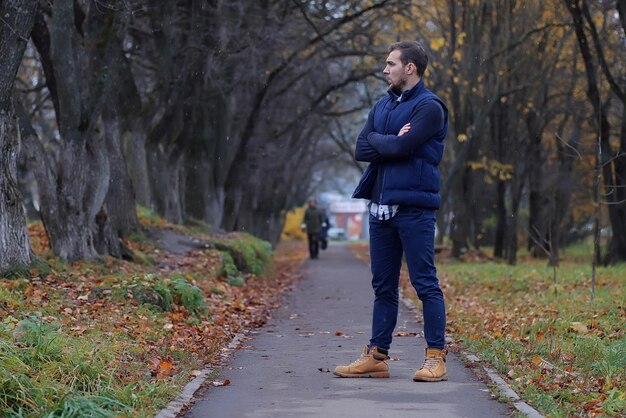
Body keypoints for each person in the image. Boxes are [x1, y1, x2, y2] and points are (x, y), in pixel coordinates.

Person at [334, 41, 449, 381]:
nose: (385, 70)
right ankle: (377, 355)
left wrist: (382, 142)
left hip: (414, 210)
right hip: (380, 210)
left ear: (409, 68)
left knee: (425, 284)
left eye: (390, 64)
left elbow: (400, 146)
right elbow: (360, 147)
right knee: (383, 287)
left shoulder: (429, 107)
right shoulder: (383, 104)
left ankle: (435, 358)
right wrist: (389, 141)